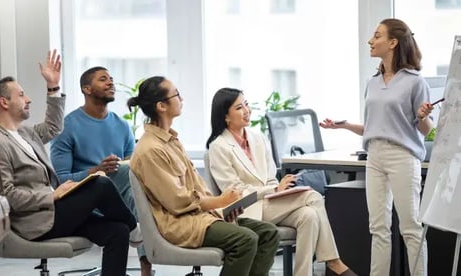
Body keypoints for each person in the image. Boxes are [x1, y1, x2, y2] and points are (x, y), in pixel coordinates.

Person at [0, 50, 142, 276]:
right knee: (100, 184)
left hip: (52, 212)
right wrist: (52, 195)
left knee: (117, 231)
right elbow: (5, 196)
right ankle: (137, 229)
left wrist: (53, 87)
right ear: (4, 102)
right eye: (22, 95)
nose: (28, 99)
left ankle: (130, 229)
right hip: (34, 222)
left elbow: (54, 127)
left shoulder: (24, 134)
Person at [128, 76, 280, 276]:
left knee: (268, 233)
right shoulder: (150, 149)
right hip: (181, 223)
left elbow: (197, 187)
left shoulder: (171, 141)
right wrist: (218, 201)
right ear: (161, 106)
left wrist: (223, 207)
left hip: (201, 217)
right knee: (245, 240)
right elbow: (177, 201)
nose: (181, 98)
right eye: (176, 94)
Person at [319, 18, 432, 276]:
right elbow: (373, 127)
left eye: (377, 35)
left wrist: (424, 117)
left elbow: (430, 132)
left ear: (393, 42)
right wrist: (344, 126)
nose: (371, 41)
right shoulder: (373, 82)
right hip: (375, 156)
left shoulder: (415, 82)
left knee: (411, 227)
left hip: (403, 157)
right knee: (378, 228)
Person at [206, 88, 356, 276]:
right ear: (226, 116)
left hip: (271, 203)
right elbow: (234, 191)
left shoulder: (257, 139)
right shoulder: (218, 146)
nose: (246, 110)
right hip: (248, 209)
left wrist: (277, 188)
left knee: (309, 215)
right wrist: (273, 189)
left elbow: (269, 177)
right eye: (239, 107)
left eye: (246, 104)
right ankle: (334, 262)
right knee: (312, 196)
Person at [50, 66, 152, 275]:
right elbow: (61, 181)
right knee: (128, 178)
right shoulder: (66, 126)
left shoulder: (121, 126)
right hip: (82, 202)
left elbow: (132, 167)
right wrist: (97, 170)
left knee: (134, 182)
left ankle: (145, 261)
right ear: (86, 89)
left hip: (118, 202)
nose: (110, 83)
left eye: (112, 79)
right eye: (103, 79)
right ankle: (146, 260)